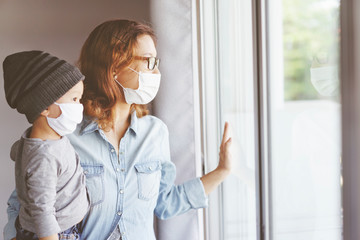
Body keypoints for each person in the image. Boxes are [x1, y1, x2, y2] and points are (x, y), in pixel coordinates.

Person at [4, 20, 233, 240]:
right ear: (115, 66)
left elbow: (166, 203)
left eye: (157, 62)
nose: (156, 72)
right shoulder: (64, 133)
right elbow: (24, 203)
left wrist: (222, 170)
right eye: (149, 61)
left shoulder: (156, 132)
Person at [2, 51, 89, 240]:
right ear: (45, 108)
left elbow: (17, 152)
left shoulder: (36, 143)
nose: (80, 106)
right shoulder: (44, 156)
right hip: (59, 233)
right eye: (74, 99)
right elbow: (42, 211)